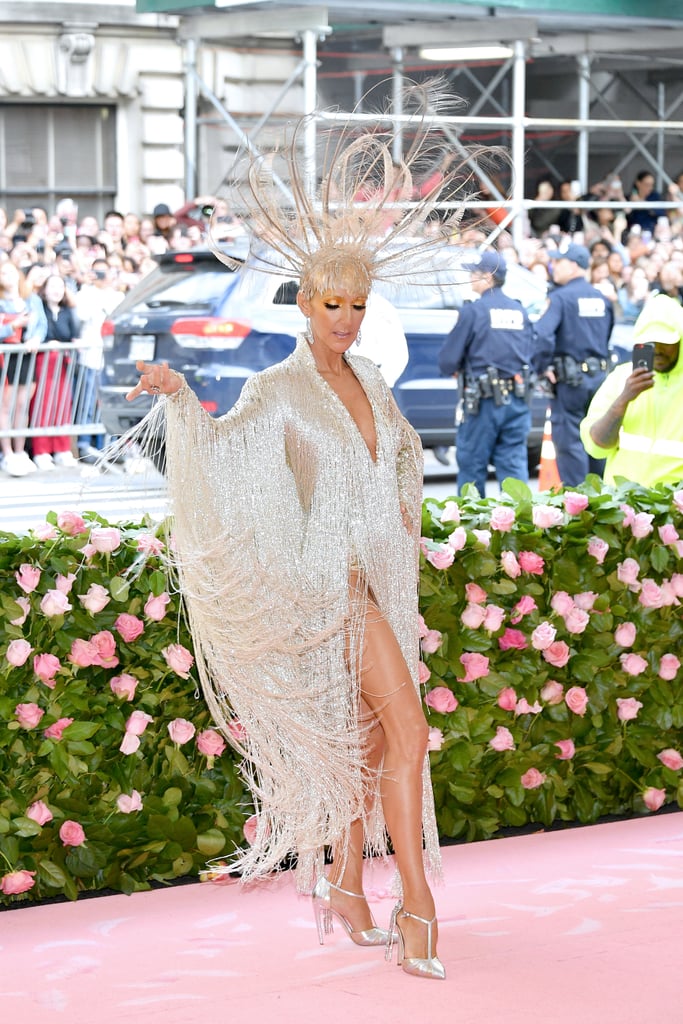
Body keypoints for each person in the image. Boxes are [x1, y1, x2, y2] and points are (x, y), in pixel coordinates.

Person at [122, 82, 475, 982]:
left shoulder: (376, 384)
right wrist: (180, 402)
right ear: (304, 304)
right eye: (331, 306)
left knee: (363, 739)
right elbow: (229, 452)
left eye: (358, 305)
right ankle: (418, 907)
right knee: (409, 732)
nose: (346, 320)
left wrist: (400, 506)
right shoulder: (276, 390)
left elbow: (398, 462)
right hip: (328, 586)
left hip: (377, 577)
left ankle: (350, 887)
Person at [437, 250, 539, 495]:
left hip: (483, 404)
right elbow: (532, 351)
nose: (470, 277)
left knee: (472, 466)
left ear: (488, 277)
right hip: (516, 400)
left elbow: (447, 361)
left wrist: (458, 368)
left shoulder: (474, 311)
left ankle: (474, 529)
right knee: (513, 467)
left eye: (474, 272)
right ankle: (515, 527)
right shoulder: (519, 311)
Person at [579, 294, 683, 486]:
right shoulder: (621, 378)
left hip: (675, 507)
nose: (658, 350)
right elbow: (596, 446)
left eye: (666, 343)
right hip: (623, 504)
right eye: (650, 344)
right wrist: (623, 400)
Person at [535, 242, 615, 486]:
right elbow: (607, 334)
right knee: (596, 438)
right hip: (599, 379)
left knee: (570, 443)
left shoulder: (560, 298)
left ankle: (580, 503)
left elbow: (542, 335)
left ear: (573, 266)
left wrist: (543, 367)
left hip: (569, 382)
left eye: (558, 262)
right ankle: (601, 499)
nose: (554, 267)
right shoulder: (603, 300)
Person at [0, 261, 48, 476]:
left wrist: (36, 338)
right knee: (5, 406)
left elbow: (42, 325)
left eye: (10, 271)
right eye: (2, 273)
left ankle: (20, 451)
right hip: (6, 355)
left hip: (27, 354)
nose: (7, 275)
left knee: (23, 405)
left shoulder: (32, 299)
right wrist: (13, 326)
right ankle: (7, 453)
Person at [31, 273, 80, 470]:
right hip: (43, 363)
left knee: (62, 407)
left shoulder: (68, 311)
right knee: (42, 406)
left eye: (61, 286)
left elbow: (73, 336)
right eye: (52, 286)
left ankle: (62, 449)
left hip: (63, 364)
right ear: (44, 290)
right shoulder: (39, 308)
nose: (57, 290)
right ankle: (41, 451)